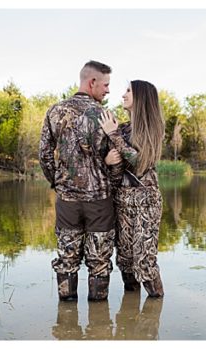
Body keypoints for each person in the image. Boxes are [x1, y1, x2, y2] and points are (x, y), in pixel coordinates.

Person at [39, 60, 117, 301]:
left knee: (67, 258)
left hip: (67, 202)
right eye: (105, 85)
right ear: (91, 82)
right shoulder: (105, 116)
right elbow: (116, 160)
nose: (108, 90)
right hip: (100, 202)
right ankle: (99, 326)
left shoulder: (55, 111)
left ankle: (66, 324)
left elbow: (44, 155)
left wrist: (59, 183)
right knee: (100, 262)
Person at [100, 80, 166, 297]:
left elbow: (140, 163)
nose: (123, 95)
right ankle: (128, 323)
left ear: (141, 97)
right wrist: (110, 163)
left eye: (128, 91)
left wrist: (113, 135)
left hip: (146, 202)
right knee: (126, 261)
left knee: (144, 262)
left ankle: (154, 313)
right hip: (123, 201)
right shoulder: (122, 129)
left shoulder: (153, 128)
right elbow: (117, 175)